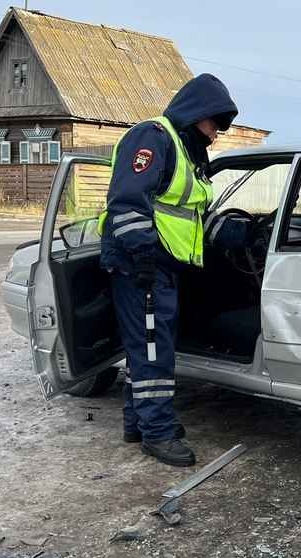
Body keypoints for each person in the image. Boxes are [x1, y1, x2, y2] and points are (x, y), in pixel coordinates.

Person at [97, 74, 249, 467]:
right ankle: (157, 433)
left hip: (160, 264)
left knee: (144, 347)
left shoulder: (186, 150)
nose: (216, 135)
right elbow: (127, 204)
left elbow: (188, 213)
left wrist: (230, 232)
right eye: (215, 125)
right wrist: (145, 257)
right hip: (141, 265)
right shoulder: (153, 138)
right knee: (153, 351)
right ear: (197, 114)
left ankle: (138, 423)